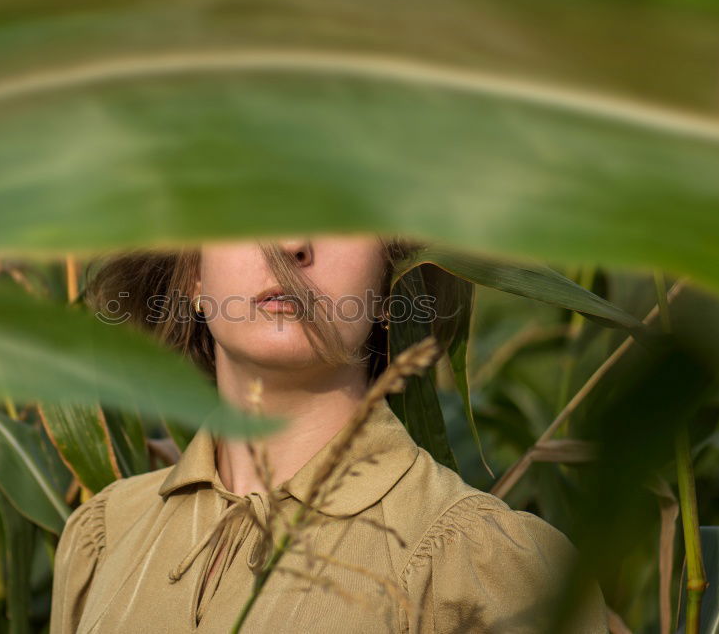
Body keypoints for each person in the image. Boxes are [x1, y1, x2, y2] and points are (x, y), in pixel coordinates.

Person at [50, 235, 609, 633]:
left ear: (394, 273)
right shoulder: (102, 539)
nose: (292, 243)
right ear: (192, 272)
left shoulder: (480, 571)